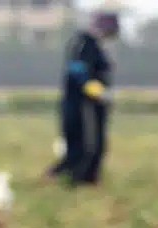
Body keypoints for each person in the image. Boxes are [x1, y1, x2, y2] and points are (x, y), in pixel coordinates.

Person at [46, 9, 121, 187]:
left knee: (95, 145)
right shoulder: (83, 43)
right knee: (82, 144)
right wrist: (98, 91)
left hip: (96, 104)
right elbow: (78, 71)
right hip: (80, 104)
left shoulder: (99, 46)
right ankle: (73, 179)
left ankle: (88, 178)